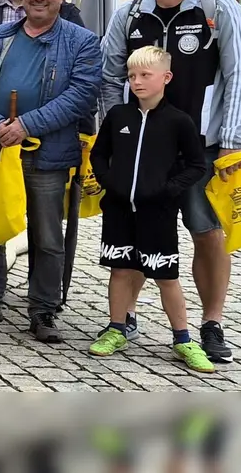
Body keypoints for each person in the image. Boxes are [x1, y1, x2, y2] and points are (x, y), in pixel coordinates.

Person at [97, 0, 241, 363]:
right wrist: (119, 125)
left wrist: (231, 143)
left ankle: (211, 322)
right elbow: (110, 74)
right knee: (133, 233)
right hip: (142, 147)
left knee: (206, 232)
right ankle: (124, 317)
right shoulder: (129, 14)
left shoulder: (216, 8)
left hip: (201, 147)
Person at [0, 0, 101, 343]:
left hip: (48, 154)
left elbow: (81, 96)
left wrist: (27, 126)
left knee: (48, 236)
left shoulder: (82, 41)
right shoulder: (0, 36)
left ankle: (43, 309)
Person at [87, 46, 216, 374]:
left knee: (165, 276)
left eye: (145, 75)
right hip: (118, 210)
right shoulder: (119, 116)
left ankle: (183, 339)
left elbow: (196, 164)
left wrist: (167, 191)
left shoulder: (179, 121)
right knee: (120, 271)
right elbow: (99, 154)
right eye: (132, 76)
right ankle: (116, 328)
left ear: (166, 77)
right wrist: (108, 182)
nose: (137, 81)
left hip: (157, 214)